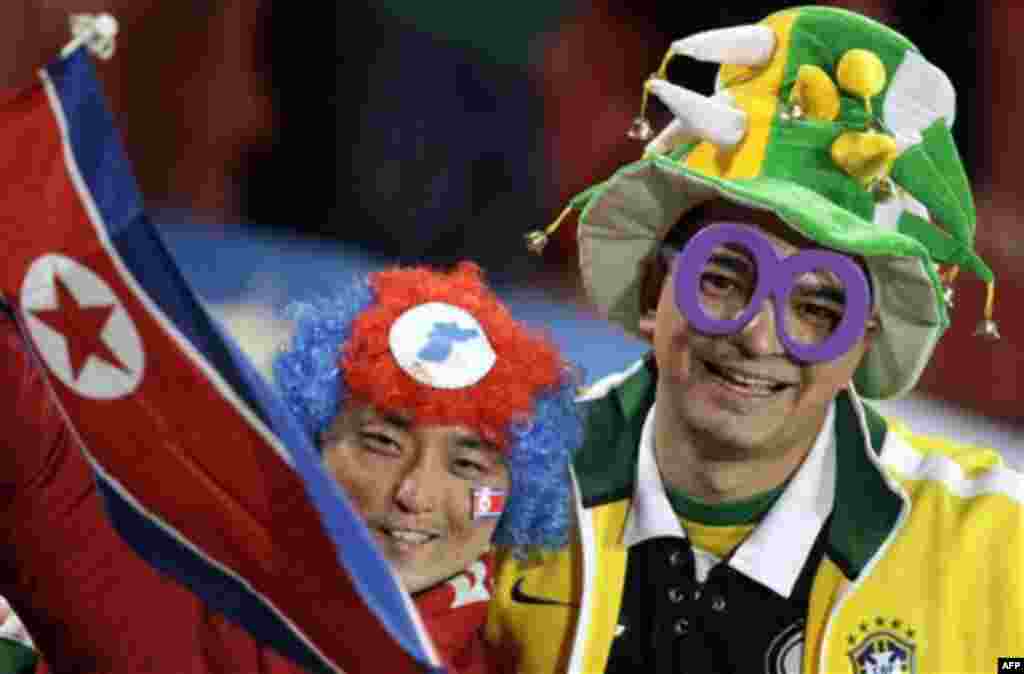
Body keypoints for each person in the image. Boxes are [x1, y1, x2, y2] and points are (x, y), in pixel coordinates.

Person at [488, 6, 1023, 673]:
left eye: (822, 303)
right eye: (723, 275)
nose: (758, 332)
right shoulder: (490, 493)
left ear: (864, 341)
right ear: (656, 287)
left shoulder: (1001, 550)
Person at [0, 261, 580, 674]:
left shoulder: (533, 656)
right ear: (309, 446)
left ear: (515, 494)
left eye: (468, 462)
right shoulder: (174, 586)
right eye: (381, 442)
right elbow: (33, 464)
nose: (416, 493)